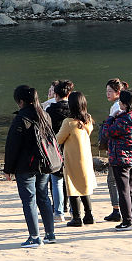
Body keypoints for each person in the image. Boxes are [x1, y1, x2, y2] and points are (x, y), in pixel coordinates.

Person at [3, 85, 57, 248]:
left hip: (25, 165)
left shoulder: (21, 119)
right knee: (43, 197)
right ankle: (50, 234)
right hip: (43, 163)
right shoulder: (45, 115)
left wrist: (8, 169)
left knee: (29, 200)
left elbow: (12, 146)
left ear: (20, 102)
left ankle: (34, 236)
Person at [100, 89, 132, 232]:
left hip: (122, 158)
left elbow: (107, 132)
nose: (119, 103)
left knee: (123, 191)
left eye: (120, 101)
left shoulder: (124, 120)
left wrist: (110, 117)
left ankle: (127, 221)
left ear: (126, 104)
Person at [55, 90, 96, 226]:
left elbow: (58, 139)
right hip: (86, 159)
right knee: (84, 187)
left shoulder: (68, 122)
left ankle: (77, 218)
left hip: (72, 159)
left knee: (72, 187)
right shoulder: (88, 120)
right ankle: (89, 215)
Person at [43, 80, 73, 220]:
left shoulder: (50, 110)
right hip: (72, 147)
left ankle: (59, 212)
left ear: (56, 94)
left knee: (56, 181)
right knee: (71, 180)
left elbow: (46, 130)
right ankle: (74, 210)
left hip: (55, 148)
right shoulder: (74, 108)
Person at [100, 78, 128, 221]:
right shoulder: (125, 105)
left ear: (118, 92)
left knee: (112, 180)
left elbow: (111, 130)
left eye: (110, 91)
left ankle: (117, 210)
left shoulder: (117, 107)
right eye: (106, 91)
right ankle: (121, 210)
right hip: (126, 149)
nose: (107, 94)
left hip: (116, 149)